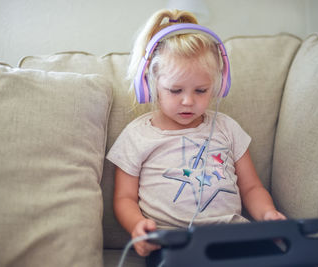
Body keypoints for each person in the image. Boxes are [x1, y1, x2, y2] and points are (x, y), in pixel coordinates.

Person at [107, 8, 286, 266]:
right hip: (172, 241)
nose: (188, 101)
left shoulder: (227, 128)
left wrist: (267, 214)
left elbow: (251, 187)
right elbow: (124, 198)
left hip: (235, 235)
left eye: (201, 90)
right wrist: (137, 226)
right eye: (175, 90)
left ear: (218, 86)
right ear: (150, 84)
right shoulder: (137, 135)